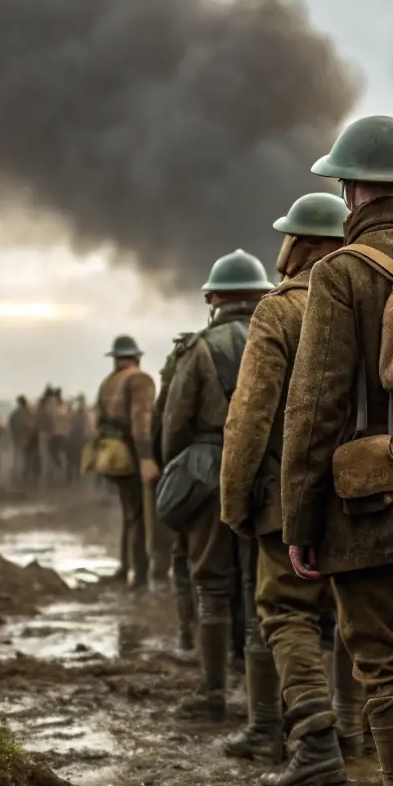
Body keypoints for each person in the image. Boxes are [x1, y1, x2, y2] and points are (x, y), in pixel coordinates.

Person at [281, 115, 393, 786]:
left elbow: (312, 407)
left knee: (389, 663)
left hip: (368, 500)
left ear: (348, 188)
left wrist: (300, 520)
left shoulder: (341, 271)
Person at [221, 192, 363, 784]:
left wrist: (235, 502)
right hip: (366, 486)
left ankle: (313, 740)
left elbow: (250, 415)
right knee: (353, 616)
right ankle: (352, 729)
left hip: (288, 494)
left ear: (303, 244)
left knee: (285, 613)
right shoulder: (374, 293)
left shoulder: (279, 311)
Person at [162, 250, 274, 721]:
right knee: (258, 592)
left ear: (213, 297)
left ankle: (212, 695)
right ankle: (264, 710)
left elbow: (174, 424)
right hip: (266, 477)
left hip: (207, 474)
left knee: (211, 585)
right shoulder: (279, 336)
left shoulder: (200, 349)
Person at [95, 337, 158, 590]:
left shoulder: (108, 382)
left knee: (129, 514)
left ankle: (125, 568)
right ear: (137, 357)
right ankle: (140, 576)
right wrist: (146, 458)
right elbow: (141, 423)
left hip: (112, 454)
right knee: (141, 516)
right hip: (132, 453)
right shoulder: (139, 379)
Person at [153, 329, 200, 652]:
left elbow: (168, 422)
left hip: (197, 473)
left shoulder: (191, 353)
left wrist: (171, 469)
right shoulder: (268, 331)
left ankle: (188, 634)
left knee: (186, 559)